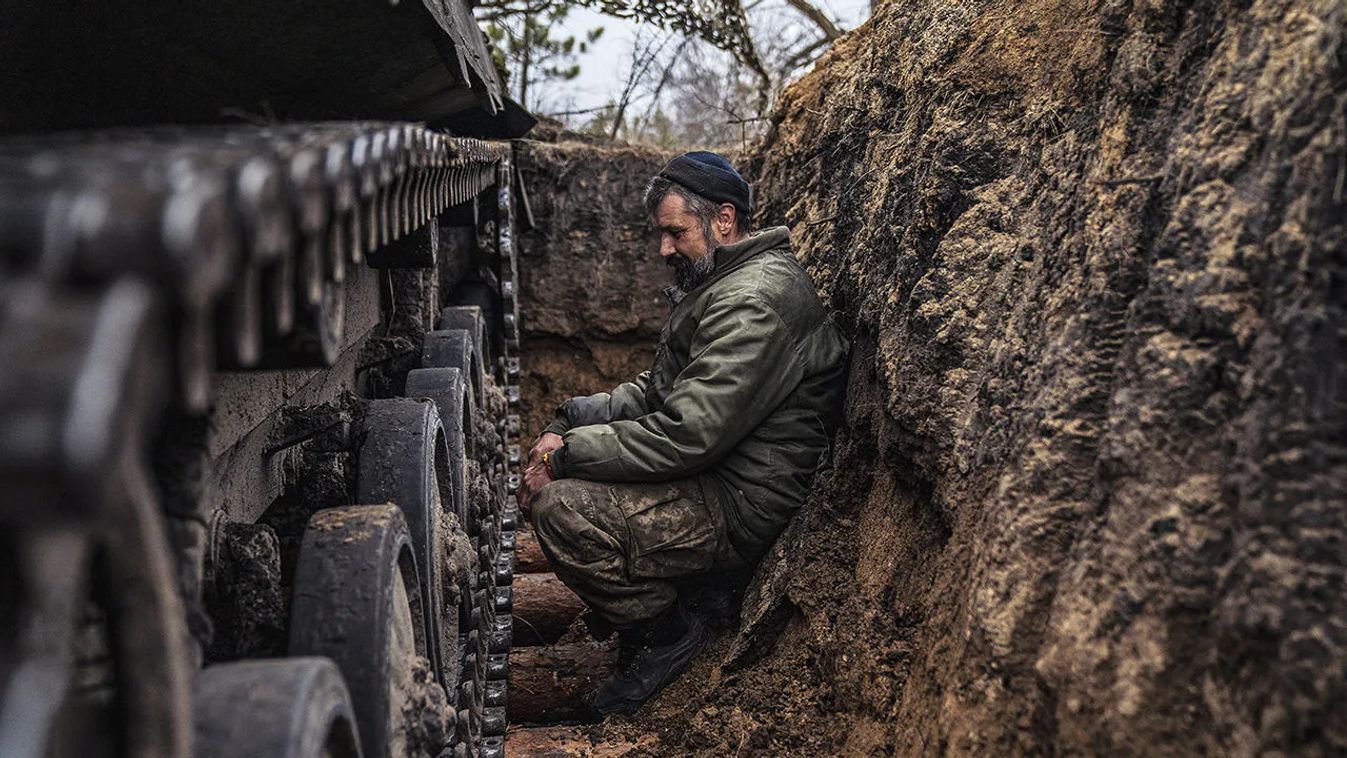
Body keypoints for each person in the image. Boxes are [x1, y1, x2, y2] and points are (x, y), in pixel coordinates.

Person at [516, 150, 849, 715]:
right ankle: (675, 597)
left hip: (743, 501)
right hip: (717, 472)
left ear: (724, 218)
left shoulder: (752, 302)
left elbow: (685, 434)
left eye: (675, 233)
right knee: (576, 473)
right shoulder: (726, 281)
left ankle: (667, 633)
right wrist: (571, 419)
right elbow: (660, 393)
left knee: (562, 510)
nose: (664, 249)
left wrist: (566, 458)